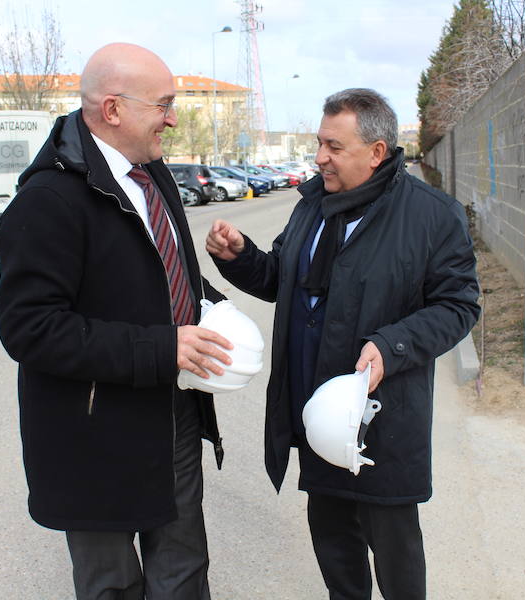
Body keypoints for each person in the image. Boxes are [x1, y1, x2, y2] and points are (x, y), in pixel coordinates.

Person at [206, 88, 480, 599]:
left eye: (333, 146)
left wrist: (392, 344)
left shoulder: (431, 216)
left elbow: (459, 306)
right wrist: (241, 256)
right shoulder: (314, 207)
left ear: (376, 152)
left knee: (396, 556)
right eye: (318, 143)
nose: (319, 157)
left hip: (382, 419)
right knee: (334, 548)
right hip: (315, 413)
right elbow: (281, 280)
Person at [0, 43, 233, 600]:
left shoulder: (155, 178)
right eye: (164, 104)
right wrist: (160, 348)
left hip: (170, 409)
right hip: (92, 430)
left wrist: (215, 308)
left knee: (182, 568)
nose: (174, 117)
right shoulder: (48, 201)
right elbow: (30, 329)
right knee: (112, 584)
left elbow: (163, 276)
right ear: (113, 110)